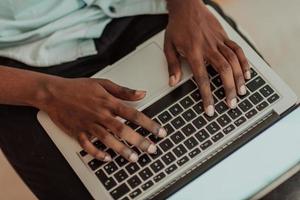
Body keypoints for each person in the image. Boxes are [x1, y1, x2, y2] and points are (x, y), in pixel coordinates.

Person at [0, 0, 257, 199]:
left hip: (148, 8)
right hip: (22, 64)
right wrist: (45, 93)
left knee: (265, 138)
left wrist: (188, 6)